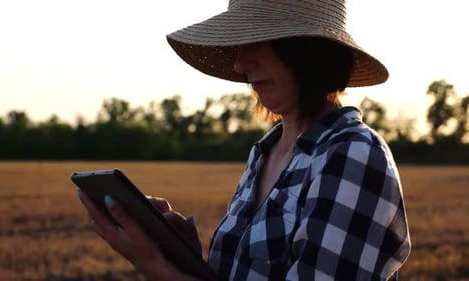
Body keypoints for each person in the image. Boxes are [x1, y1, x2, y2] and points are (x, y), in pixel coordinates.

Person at [77, 0, 411, 280]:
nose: (240, 63)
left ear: (309, 51)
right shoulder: (265, 153)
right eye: (240, 43)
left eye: (258, 41)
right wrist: (185, 258)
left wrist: (155, 266)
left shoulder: (352, 155)